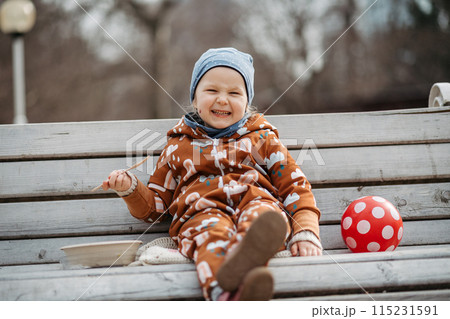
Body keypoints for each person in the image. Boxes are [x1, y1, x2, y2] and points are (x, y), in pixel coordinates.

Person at [102, 47, 322, 301]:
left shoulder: (262, 139)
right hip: (202, 211)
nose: (222, 99)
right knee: (212, 233)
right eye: (212, 90)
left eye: (234, 93)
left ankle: (244, 258)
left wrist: (306, 230)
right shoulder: (177, 146)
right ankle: (229, 294)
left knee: (264, 218)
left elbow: (296, 187)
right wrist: (130, 188)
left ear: (246, 102)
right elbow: (157, 207)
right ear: (195, 98)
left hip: (256, 202)